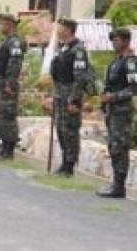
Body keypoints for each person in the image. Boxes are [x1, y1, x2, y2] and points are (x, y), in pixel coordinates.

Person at [49, 17, 94, 175]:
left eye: (60, 28)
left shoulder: (78, 50)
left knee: (70, 131)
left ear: (68, 29)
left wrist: (74, 100)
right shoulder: (64, 48)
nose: (58, 30)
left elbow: (80, 77)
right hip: (60, 95)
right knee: (61, 129)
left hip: (70, 96)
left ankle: (70, 164)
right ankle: (64, 161)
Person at [98, 27, 137, 198]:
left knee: (120, 146)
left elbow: (134, 88)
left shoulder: (130, 62)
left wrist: (114, 97)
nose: (114, 42)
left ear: (126, 41)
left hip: (122, 111)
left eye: (117, 39)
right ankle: (115, 182)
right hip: (112, 110)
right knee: (113, 146)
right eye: (113, 39)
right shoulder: (117, 61)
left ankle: (119, 185)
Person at [0, 13, 25, 160]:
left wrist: (10, 83)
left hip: (6, 85)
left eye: (2, 23)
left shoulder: (15, 42)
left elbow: (14, 65)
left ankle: (9, 149)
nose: (0, 26)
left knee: (7, 116)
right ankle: (4, 146)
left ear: (10, 24)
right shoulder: (6, 41)